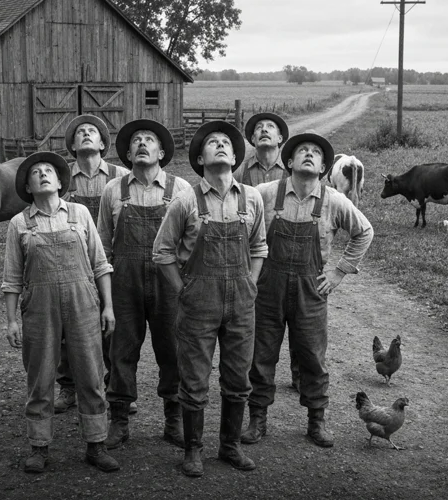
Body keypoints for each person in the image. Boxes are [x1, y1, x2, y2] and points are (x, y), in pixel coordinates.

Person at [240, 133, 373, 448]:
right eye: (302, 151)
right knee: (261, 355)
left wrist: (339, 273)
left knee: (313, 356)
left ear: (325, 167)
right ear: (288, 162)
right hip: (267, 289)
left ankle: (317, 420)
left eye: (316, 152)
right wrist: (248, 272)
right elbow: (239, 227)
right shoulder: (263, 194)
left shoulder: (333, 201)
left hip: (310, 290)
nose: (309, 154)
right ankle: (257, 419)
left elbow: (364, 232)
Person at [153, 121, 268, 478]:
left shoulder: (252, 198)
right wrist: (182, 290)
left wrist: (249, 282)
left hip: (240, 304)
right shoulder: (186, 201)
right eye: (211, 144)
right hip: (198, 303)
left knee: (238, 378)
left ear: (235, 157)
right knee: (194, 379)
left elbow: (259, 247)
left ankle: (229, 446)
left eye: (225, 144)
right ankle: (193, 451)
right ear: (200, 159)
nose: (219, 146)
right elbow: (162, 252)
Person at [1, 151, 119, 473]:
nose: (42, 174)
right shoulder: (18, 224)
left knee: (91, 373)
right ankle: (39, 447)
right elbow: (11, 279)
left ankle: (96, 444)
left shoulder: (80, 215)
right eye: (35, 172)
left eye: (49, 170)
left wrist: (107, 306)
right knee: (40, 377)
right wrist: (12, 320)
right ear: (27, 185)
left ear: (59, 180)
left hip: (83, 303)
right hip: (39, 309)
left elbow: (100, 265)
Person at [97, 119, 192, 450]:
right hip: (125, 282)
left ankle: (174, 420)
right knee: (121, 348)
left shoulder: (181, 190)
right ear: (126, 153)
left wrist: (183, 281)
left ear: (161, 152)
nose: (141, 143)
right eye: (135, 140)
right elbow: (104, 247)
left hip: (168, 283)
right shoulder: (113, 191)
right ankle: (119, 421)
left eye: (148, 140)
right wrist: (104, 291)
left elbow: (192, 241)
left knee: (173, 350)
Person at [53, 114, 130, 414]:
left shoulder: (121, 177)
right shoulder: (61, 179)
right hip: (70, 262)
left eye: (92, 132)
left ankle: (114, 387)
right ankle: (68, 387)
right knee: (66, 329)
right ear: (73, 145)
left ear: (102, 143)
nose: (86, 134)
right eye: (80, 133)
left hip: (112, 261)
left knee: (113, 327)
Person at [234, 112, 302, 392]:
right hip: (253, 253)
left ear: (280, 139)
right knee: (259, 320)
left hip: (290, 249)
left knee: (300, 321)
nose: (263, 131)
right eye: (258, 129)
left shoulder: (291, 170)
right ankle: (256, 376)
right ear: (251, 139)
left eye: (270, 128)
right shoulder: (241, 171)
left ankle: (299, 374)